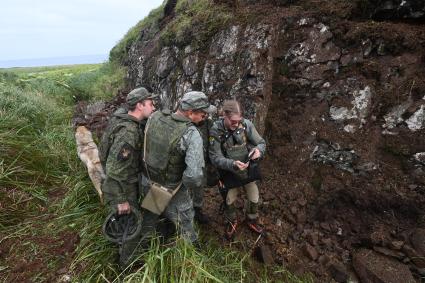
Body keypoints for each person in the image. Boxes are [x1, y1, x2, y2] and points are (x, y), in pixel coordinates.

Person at [140, 91, 215, 246]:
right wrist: (185, 188)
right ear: (190, 112)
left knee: (150, 217)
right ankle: (191, 254)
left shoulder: (155, 117)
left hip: (148, 180)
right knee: (185, 223)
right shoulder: (191, 133)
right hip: (172, 189)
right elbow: (194, 176)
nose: (205, 117)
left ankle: (143, 247)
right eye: (202, 113)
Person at [99, 87, 157, 268]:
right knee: (132, 225)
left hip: (122, 182)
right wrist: (121, 200)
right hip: (121, 187)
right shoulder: (129, 132)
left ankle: (123, 252)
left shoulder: (121, 118)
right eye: (150, 103)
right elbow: (114, 170)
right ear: (139, 105)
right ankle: (128, 266)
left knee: (126, 223)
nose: (154, 107)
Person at [209, 100, 266, 239]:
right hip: (229, 172)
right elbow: (215, 158)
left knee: (254, 198)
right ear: (224, 116)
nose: (236, 124)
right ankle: (232, 221)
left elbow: (261, 143)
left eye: (238, 120)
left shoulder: (246, 125)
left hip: (247, 170)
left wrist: (258, 151)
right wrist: (232, 164)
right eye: (233, 121)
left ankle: (251, 219)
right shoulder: (216, 131)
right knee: (229, 200)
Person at [192, 107, 219, 224]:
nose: (206, 116)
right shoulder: (185, 123)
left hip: (202, 163)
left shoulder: (209, 124)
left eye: (207, 115)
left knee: (199, 187)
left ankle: (196, 211)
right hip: (185, 163)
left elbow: (213, 145)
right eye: (204, 114)